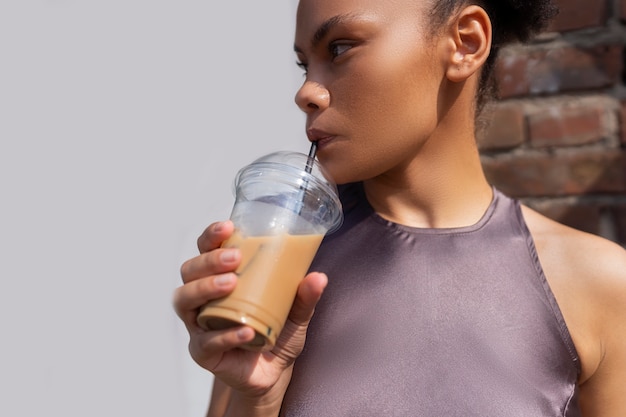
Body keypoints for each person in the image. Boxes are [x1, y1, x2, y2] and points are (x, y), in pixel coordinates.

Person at [173, 0, 626, 415]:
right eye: (303, 64)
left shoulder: (598, 284)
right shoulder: (280, 269)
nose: (306, 92)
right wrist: (257, 397)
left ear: (466, 42)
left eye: (340, 48)